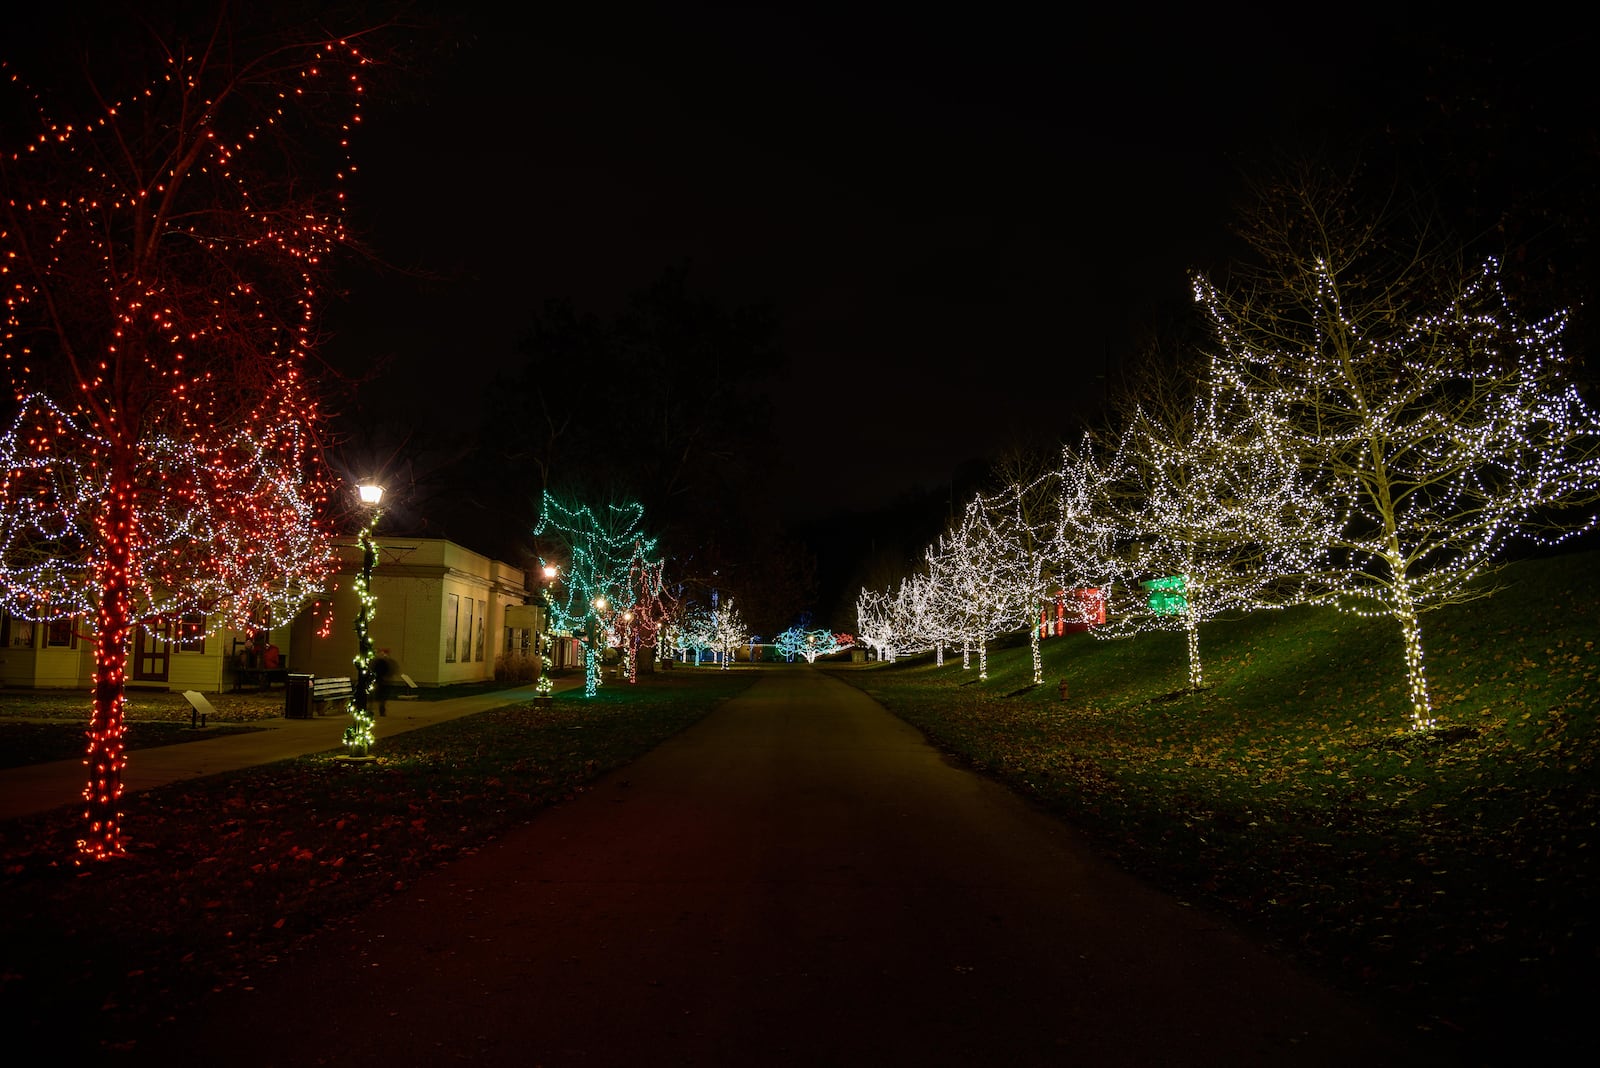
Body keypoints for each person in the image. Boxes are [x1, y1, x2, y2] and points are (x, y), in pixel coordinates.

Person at [372, 649, 398, 716]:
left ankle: (380, 705)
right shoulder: (387, 662)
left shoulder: (378, 661)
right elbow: (393, 670)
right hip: (385, 681)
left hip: (381, 681)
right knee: (383, 695)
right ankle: (381, 706)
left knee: (381, 695)